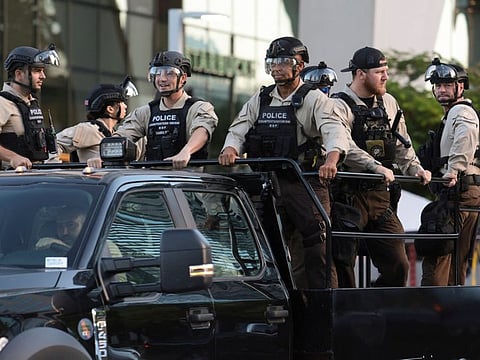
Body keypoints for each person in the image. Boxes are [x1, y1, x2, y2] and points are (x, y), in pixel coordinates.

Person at [218, 36, 352, 289]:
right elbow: (239, 129)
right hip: (268, 183)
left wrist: (331, 161)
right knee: (265, 246)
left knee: (317, 248)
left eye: (283, 62)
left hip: (305, 181)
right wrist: (230, 148)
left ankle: (328, 307)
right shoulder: (261, 98)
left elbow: (335, 132)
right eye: (272, 62)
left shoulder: (315, 98)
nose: (276, 67)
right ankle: (288, 303)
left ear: (299, 66)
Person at [329, 46, 431, 287]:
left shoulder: (389, 102)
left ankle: (376, 306)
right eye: (379, 71)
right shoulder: (337, 105)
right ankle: (347, 311)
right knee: (342, 260)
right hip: (348, 196)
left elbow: (402, 144)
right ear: (360, 74)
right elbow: (344, 146)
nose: (386, 76)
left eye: (386, 70)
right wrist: (375, 167)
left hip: (381, 198)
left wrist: (415, 169)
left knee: (399, 264)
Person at [91, 50, 218, 169]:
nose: (162, 79)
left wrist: (186, 151)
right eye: (157, 73)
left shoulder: (199, 107)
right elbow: (123, 134)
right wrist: (101, 156)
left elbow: (202, 131)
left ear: (183, 78)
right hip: (154, 182)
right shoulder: (146, 111)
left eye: (169, 73)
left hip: (188, 183)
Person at [419, 59, 480, 286]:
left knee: (438, 256)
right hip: (465, 191)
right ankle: (452, 315)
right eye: (437, 85)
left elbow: (465, 137)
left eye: (447, 85)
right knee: (456, 261)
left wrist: (453, 170)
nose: (441, 90)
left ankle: (431, 312)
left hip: (458, 190)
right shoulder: (453, 113)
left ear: (460, 87)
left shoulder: (461, 111)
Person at [0, 44, 60, 168]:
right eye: (37, 71)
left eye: (43, 71)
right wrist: (13, 157)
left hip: (36, 178)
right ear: (19, 74)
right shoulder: (3, 102)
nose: (43, 76)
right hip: (10, 181)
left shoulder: (32, 103)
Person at [56, 77, 138, 162]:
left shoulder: (115, 133)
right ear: (110, 109)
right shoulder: (89, 129)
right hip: (90, 175)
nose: (125, 106)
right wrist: (55, 169)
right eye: (121, 103)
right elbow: (55, 143)